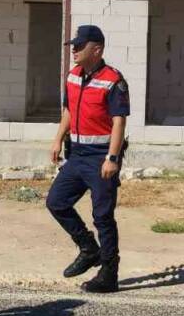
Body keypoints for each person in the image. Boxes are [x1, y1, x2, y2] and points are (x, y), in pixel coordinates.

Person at [46, 24, 129, 294]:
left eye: (80, 46)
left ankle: (109, 274)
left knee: (103, 216)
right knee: (56, 202)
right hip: (77, 155)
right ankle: (88, 248)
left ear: (97, 49)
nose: (74, 51)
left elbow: (119, 122)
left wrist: (112, 158)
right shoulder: (73, 76)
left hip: (101, 157)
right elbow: (69, 111)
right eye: (74, 46)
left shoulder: (113, 80)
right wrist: (58, 138)